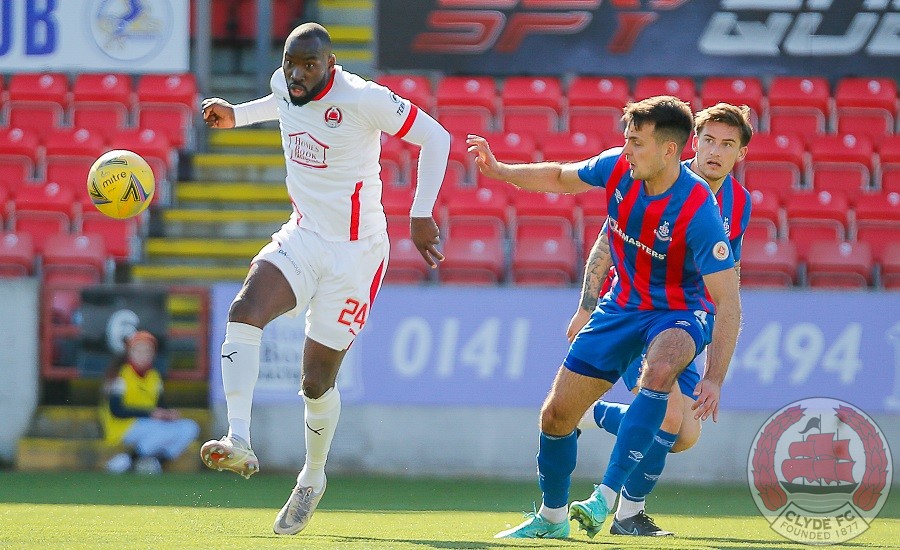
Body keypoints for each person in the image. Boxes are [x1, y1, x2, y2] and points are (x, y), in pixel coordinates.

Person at [198, 22, 450, 536]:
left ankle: (312, 476)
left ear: (329, 65)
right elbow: (279, 103)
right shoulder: (283, 83)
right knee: (244, 311)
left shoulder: (362, 98)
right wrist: (237, 117)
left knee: (316, 381)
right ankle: (239, 439)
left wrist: (421, 211)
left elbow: (436, 137)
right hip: (305, 237)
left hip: (357, 256)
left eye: (308, 66)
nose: (296, 75)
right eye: (291, 64)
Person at [467, 95, 742, 540]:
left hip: (679, 311)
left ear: (669, 151)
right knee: (556, 416)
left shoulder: (698, 209)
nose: (626, 149)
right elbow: (559, 176)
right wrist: (501, 171)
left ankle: (608, 498)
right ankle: (552, 519)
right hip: (622, 307)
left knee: (662, 372)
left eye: (637, 142)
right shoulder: (617, 167)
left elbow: (728, 303)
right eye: (627, 141)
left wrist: (715, 377)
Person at [567, 103, 753, 536]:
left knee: (685, 434)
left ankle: (589, 415)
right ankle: (622, 512)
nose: (715, 151)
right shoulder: (658, 174)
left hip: (691, 323)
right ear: (692, 142)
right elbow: (607, 243)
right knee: (669, 419)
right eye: (708, 140)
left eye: (727, 144)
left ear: (739, 154)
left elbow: (731, 277)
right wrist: (586, 305)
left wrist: (718, 351)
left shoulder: (739, 203)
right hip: (639, 313)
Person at [101, 331, 200, 475]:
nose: (143, 355)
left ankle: (156, 461)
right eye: (138, 351)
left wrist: (168, 414)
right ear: (130, 353)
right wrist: (150, 414)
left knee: (190, 427)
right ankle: (129, 459)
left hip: (149, 423)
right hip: (125, 426)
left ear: (153, 354)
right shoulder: (120, 375)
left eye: (147, 351)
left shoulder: (154, 376)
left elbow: (159, 404)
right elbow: (116, 411)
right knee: (162, 431)